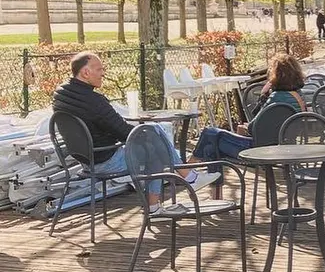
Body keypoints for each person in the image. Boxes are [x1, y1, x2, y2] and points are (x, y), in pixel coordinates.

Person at [53, 52, 216, 211]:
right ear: (85, 72)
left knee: (153, 140)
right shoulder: (95, 102)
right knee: (154, 143)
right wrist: (148, 134)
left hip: (85, 159)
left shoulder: (61, 95)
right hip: (105, 160)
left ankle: (181, 183)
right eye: (99, 69)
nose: (103, 73)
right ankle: (183, 182)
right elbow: (124, 133)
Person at [191, 52, 306, 165]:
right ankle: (206, 175)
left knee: (210, 132)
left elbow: (252, 128)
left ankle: (188, 166)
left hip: (258, 151)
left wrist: (263, 96)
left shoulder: (275, 97)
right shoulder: (299, 95)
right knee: (209, 149)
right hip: (285, 148)